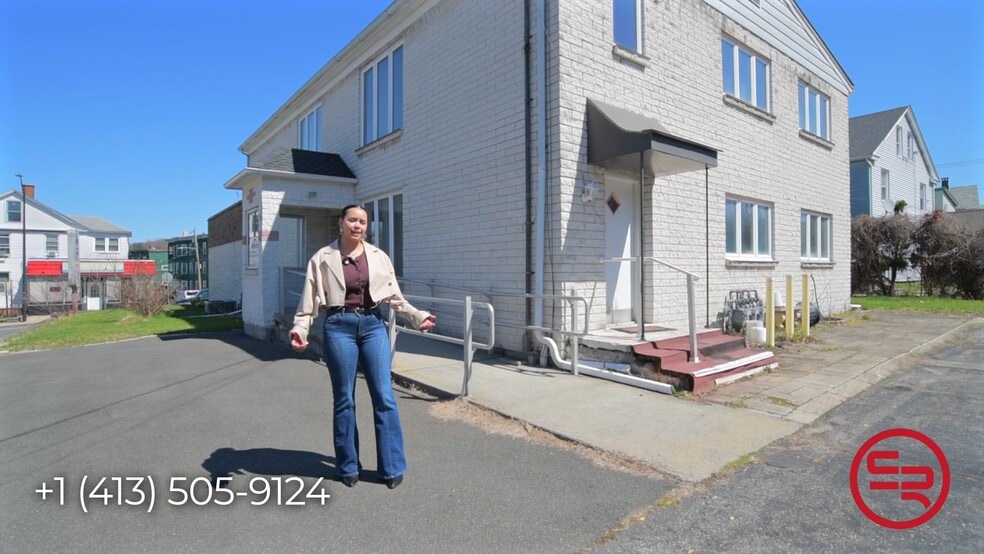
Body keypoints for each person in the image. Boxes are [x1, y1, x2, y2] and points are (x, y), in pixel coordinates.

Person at [290, 204, 436, 489]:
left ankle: (391, 467)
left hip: (372, 325)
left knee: (384, 396)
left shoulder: (379, 257)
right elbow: (309, 301)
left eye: (363, 222)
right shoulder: (322, 257)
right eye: (352, 220)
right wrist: (300, 328)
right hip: (338, 325)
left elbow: (395, 297)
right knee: (345, 398)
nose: (357, 225)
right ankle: (347, 466)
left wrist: (417, 316)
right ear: (341, 224)